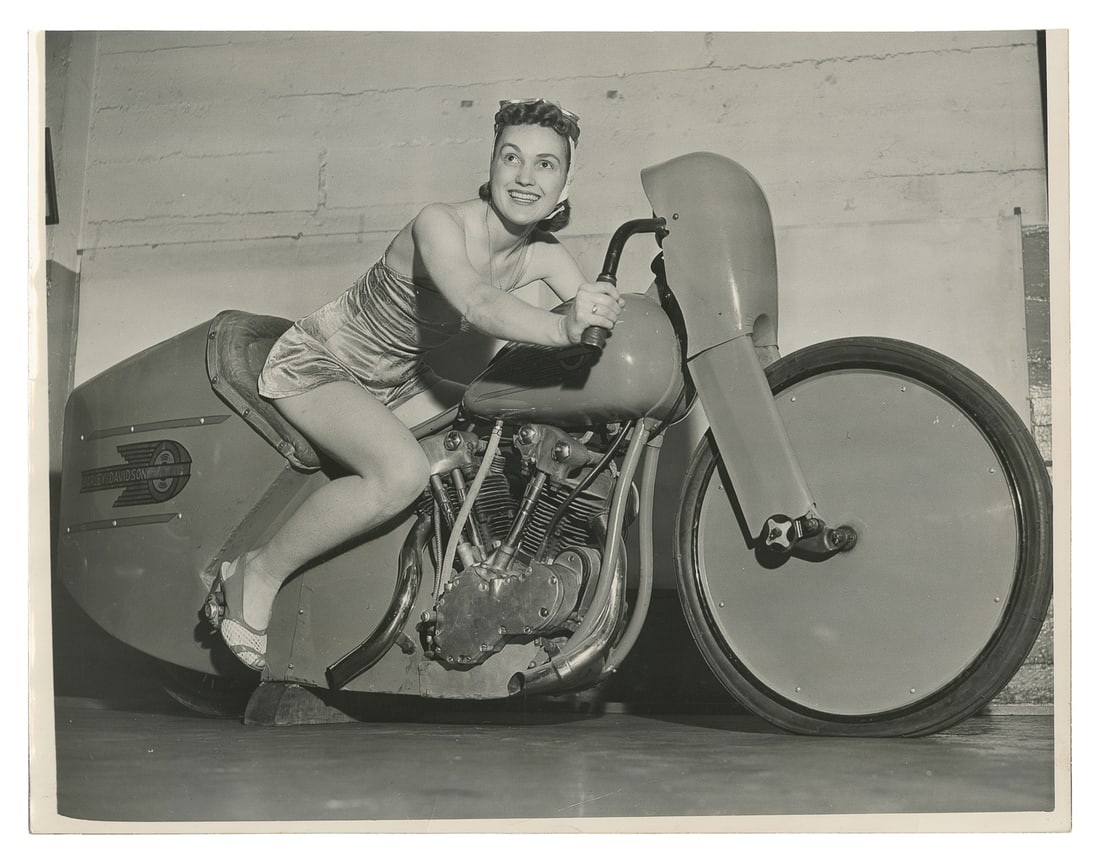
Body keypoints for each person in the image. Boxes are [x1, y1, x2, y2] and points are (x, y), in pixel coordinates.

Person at [209, 98, 625, 670]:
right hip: (320, 364)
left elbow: (592, 321)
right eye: (512, 157)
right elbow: (477, 303)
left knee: (491, 433)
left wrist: (617, 320)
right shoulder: (440, 223)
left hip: (400, 382)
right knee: (401, 473)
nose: (526, 176)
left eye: (545, 164)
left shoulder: (544, 257)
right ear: (492, 166)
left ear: (565, 185)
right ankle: (256, 573)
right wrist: (562, 327)